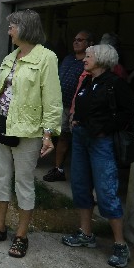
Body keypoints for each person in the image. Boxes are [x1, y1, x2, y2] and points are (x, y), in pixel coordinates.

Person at [0, 9, 61, 258]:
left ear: (24, 28)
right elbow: (0, 95)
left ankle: (21, 235)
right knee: (1, 179)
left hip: (28, 132)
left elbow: (53, 99)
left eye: (12, 26)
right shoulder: (10, 57)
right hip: (3, 128)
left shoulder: (46, 58)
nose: (9, 31)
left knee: (24, 184)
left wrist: (49, 134)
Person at [62, 44, 134, 268]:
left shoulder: (115, 84)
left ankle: (120, 245)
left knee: (106, 190)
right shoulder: (88, 80)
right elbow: (85, 106)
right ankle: (86, 234)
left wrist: (106, 128)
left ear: (102, 60)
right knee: (80, 185)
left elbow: (131, 111)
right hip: (81, 138)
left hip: (101, 143)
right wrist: (76, 119)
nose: (84, 59)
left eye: (89, 56)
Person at [44, 30, 94, 182]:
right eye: (75, 39)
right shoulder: (68, 58)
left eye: (80, 40)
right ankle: (58, 169)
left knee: (74, 139)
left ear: (89, 43)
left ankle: (82, 176)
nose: (76, 42)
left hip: (75, 108)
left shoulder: (90, 62)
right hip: (59, 105)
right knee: (59, 136)